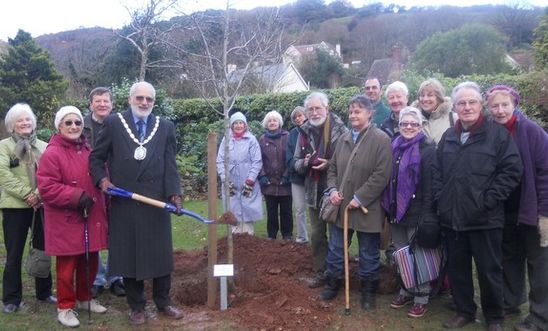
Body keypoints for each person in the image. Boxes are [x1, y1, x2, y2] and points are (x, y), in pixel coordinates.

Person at [89, 81, 184, 325]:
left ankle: (164, 301)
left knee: (160, 254)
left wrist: (175, 193)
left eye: (149, 99)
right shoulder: (113, 123)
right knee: (130, 256)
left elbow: (171, 164)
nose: (144, 103)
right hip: (125, 200)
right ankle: (137, 306)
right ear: (130, 99)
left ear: (154, 102)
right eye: (139, 98)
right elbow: (96, 158)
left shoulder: (165, 127)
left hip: (156, 201)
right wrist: (102, 180)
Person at [432, 81, 523, 331]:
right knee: (458, 269)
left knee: (489, 271)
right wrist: (441, 198)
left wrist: (489, 200)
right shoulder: (449, 136)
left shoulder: (497, 135)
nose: (467, 107)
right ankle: (465, 311)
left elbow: (512, 171)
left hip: (485, 218)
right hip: (453, 217)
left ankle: (494, 318)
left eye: (472, 101)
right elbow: (437, 171)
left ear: (480, 104)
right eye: (462, 103)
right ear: (455, 107)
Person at [37, 106, 108, 327]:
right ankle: (65, 307)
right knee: (67, 267)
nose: (74, 127)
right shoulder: (52, 152)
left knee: (90, 262)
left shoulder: (89, 150)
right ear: (59, 126)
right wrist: (75, 196)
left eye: (77, 122)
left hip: (91, 215)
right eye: (68, 123)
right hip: (66, 219)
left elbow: (102, 175)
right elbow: (47, 187)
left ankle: (86, 298)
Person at [486, 84, 548, 331]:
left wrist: (544, 212)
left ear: (514, 105)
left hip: (532, 208)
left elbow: (545, 171)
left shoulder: (531, 131)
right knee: (510, 257)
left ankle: (540, 317)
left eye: (505, 105)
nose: (500, 111)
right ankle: (511, 301)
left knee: (539, 262)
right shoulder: (491, 131)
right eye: (495, 106)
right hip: (505, 208)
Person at [321, 95, 391, 310]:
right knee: (335, 248)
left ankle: (368, 291)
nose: (353, 114)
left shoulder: (381, 139)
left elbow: (382, 174)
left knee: (368, 252)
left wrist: (360, 197)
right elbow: (332, 168)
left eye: (358, 111)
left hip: (366, 208)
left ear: (370, 113)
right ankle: (333, 283)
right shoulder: (343, 138)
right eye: (351, 111)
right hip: (341, 207)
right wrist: (332, 190)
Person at [381, 107, 436, 318]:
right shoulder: (394, 146)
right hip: (397, 211)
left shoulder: (428, 149)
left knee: (419, 256)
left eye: (414, 124)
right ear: (399, 125)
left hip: (418, 211)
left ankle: (421, 297)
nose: (409, 127)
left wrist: (427, 214)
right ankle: (406, 290)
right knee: (402, 254)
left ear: (420, 126)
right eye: (405, 123)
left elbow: (431, 186)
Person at [0, 103, 55, 314]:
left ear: (33, 122)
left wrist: (38, 195)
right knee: (14, 253)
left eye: (28, 119)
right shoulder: (3, 146)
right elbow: (4, 175)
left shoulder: (44, 146)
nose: (25, 122)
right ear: (12, 125)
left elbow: (50, 174)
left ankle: (44, 292)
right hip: (15, 207)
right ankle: (12, 298)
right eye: (19, 120)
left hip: (41, 205)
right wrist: (27, 194)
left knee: (42, 248)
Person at [293, 91, 348, 288]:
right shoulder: (303, 131)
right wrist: (306, 163)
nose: (314, 112)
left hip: (335, 191)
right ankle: (321, 272)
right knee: (317, 235)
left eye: (318, 108)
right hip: (313, 191)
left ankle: (336, 274)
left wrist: (329, 164)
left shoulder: (341, 129)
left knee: (336, 236)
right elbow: (296, 163)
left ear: (327, 108)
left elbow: (348, 160)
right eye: (310, 109)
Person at [82, 87, 125, 298]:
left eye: (105, 101)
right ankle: (97, 278)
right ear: (91, 104)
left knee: (118, 230)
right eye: (97, 101)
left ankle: (116, 277)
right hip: (91, 183)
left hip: (118, 184)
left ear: (112, 104)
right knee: (93, 230)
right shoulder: (80, 126)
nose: (102, 104)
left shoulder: (121, 124)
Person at [216, 111, 264, 235]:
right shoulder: (226, 139)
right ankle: (235, 238)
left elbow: (257, 161)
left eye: (241, 123)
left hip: (247, 180)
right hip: (230, 181)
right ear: (232, 126)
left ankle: (248, 236)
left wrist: (250, 180)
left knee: (248, 209)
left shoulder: (251, 140)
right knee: (233, 209)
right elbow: (220, 160)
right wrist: (225, 179)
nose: (238, 125)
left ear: (245, 125)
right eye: (235, 123)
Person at [258, 110, 293, 240]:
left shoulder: (287, 136)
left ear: (279, 123)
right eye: (269, 121)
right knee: (271, 211)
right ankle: (271, 235)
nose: (272, 122)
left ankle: (287, 235)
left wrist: (286, 175)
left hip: (285, 182)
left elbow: (291, 157)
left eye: (275, 120)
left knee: (286, 211)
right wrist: (262, 176)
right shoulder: (262, 139)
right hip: (269, 183)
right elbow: (258, 159)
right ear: (266, 124)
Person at [286, 106, 309, 244]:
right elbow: (289, 158)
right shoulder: (292, 135)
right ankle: (302, 237)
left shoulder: (314, 130)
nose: (299, 118)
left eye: (301, 115)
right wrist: (299, 164)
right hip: (297, 178)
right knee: (300, 209)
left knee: (317, 210)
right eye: (296, 117)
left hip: (313, 177)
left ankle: (320, 240)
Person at [411, 78, 455, 144]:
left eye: (430, 95)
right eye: (422, 95)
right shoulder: (412, 118)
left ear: (438, 98)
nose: (425, 99)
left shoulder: (452, 118)